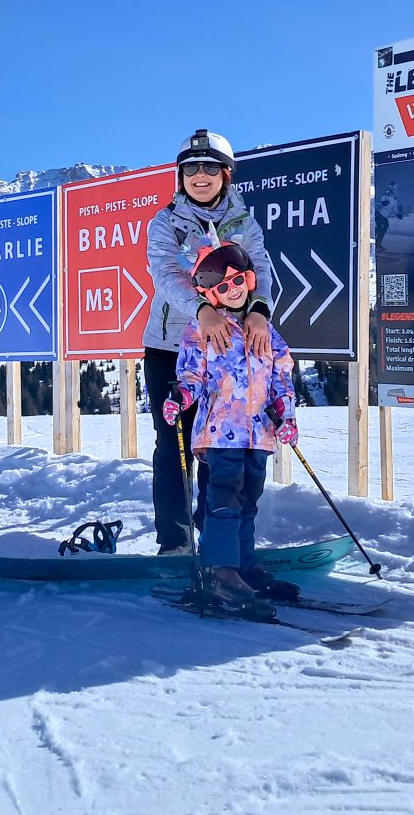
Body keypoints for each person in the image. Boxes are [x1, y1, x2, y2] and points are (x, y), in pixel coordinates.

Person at [143, 128, 276, 555]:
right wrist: (201, 311)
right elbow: (165, 274)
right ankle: (175, 543)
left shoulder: (244, 223)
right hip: (171, 347)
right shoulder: (165, 222)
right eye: (191, 169)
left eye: (210, 168)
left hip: (228, 352)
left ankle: (214, 539)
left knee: (217, 443)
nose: (201, 176)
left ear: (225, 175)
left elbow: (262, 270)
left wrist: (258, 310)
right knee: (174, 442)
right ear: (181, 177)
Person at [163, 241, 300, 611]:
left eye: (237, 280)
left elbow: (281, 377)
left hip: (259, 434)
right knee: (223, 498)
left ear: (250, 279)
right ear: (210, 294)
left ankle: (244, 564)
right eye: (222, 287)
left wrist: (285, 414)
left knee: (249, 500)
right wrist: (181, 397)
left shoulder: (267, 332)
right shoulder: (201, 331)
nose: (233, 290)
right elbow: (191, 373)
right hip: (221, 431)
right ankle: (222, 570)